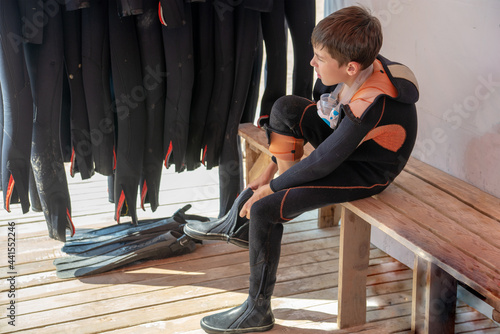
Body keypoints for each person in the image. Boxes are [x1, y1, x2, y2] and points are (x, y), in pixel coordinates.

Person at [184, 5, 419, 333]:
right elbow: (320, 130)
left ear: (350, 67)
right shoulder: (354, 68)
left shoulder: (373, 102)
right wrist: (271, 172)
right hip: (345, 143)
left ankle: (257, 310)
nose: (311, 63)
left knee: (266, 208)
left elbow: (324, 161)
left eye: (319, 59)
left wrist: (273, 189)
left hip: (368, 169)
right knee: (284, 107)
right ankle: (240, 225)